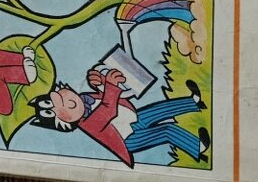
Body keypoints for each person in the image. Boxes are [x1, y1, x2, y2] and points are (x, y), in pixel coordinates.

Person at [28, 68, 208, 166]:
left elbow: (104, 97)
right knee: (166, 131)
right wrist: (110, 86)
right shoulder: (88, 124)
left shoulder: (85, 98)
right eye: (65, 107)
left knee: (157, 110)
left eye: (64, 98)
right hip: (128, 138)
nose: (69, 102)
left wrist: (99, 82)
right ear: (67, 122)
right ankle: (198, 147)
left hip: (130, 119)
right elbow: (108, 109)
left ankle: (193, 102)